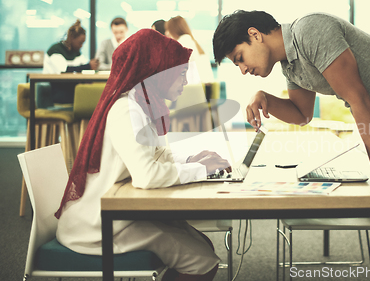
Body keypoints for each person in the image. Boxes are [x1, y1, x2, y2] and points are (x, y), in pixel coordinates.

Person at [213, 10, 370, 280]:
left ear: (255, 35)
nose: (242, 70)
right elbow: (302, 114)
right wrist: (265, 98)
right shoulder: (290, 65)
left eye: (239, 58)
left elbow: (357, 97)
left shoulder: (310, 31)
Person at [55, 29, 230, 281]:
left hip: (115, 212)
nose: (185, 81)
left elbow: (155, 155)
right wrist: (202, 170)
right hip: (97, 226)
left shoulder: (141, 103)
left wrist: (192, 160)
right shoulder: (127, 110)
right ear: (157, 73)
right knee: (203, 261)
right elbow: (146, 176)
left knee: (202, 244)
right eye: (180, 74)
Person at [43, 20, 99, 103]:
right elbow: (64, 71)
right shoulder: (55, 50)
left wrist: (90, 66)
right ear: (72, 38)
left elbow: (83, 66)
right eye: (80, 43)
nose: (81, 46)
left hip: (70, 88)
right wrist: (88, 66)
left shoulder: (76, 53)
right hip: (55, 91)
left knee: (94, 94)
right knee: (90, 98)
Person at [166, 16, 214, 84]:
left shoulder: (183, 42)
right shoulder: (192, 42)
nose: (167, 33)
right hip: (202, 88)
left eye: (168, 29)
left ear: (174, 30)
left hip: (192, 88)